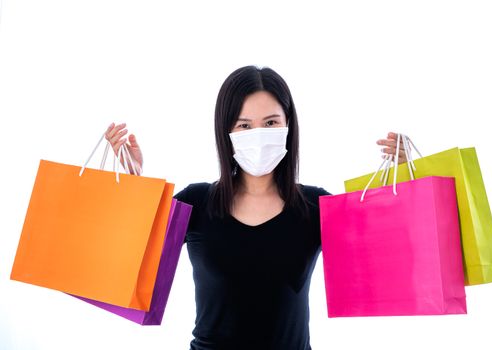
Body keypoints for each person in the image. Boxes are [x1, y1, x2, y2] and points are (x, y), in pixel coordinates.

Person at [105, 66, 406, 350]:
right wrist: (136, 182)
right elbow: (135, 254)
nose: (258, 134)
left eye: (271, 123)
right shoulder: (196, 202)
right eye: (245, 125)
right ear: (227, 132)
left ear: (288, 126)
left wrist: (404, 179)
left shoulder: (316, 207)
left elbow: (387, 256)